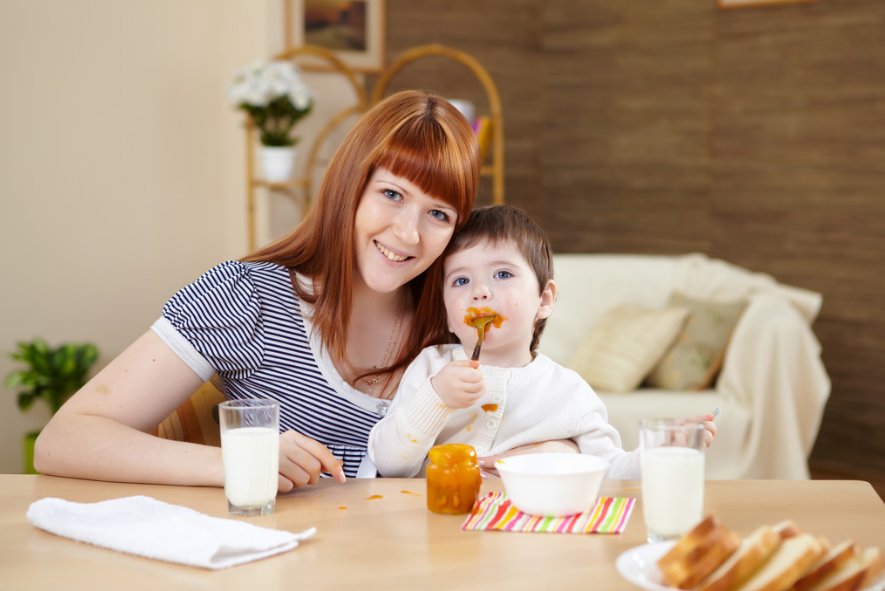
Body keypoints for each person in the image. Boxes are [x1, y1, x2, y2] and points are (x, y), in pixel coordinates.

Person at [34, 90, 484, 490]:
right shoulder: (247, 296)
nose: (409, 234)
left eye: (438, 214)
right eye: (392, 194)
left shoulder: (457, 329)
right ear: (350, 186)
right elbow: (64, 440)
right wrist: (241, 460)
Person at [368, 205, 717, 478]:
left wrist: (663, 450)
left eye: (502, 274)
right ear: (445, 311)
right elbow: (388, 463)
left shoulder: (569, 392)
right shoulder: (432, 368)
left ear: (544, 300)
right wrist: (436, 398)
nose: (480, 292)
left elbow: (609, 473)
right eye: (460, 281)